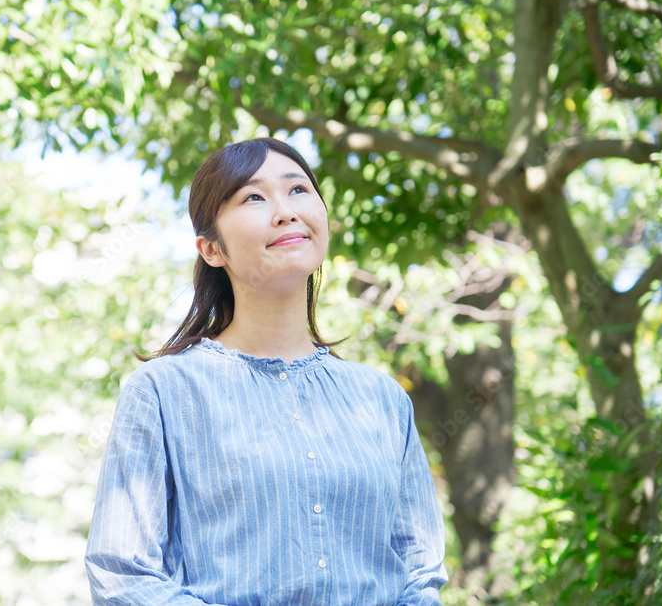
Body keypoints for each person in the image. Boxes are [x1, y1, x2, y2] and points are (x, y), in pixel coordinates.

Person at [83, 137, 448, 605]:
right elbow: (122, 574)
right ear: (212, 249)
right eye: (254, 197)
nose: (285, 211)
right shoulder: (164, 391)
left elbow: (419, 571)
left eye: (298, 190)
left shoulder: (382, 399)